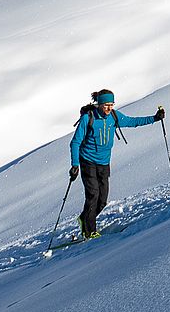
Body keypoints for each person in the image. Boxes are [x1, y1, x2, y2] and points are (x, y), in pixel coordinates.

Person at [69, 89, 164, 238]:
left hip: (104, 163)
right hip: (87, 161)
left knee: (102, 200)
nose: (109, 108)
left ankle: (84, 218)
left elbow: (133, 122)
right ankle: (89, 231)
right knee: (93, 195)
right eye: (106, 105)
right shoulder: (88, 118)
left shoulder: (114, 116)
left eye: (111, 105)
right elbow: (75, 143)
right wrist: (75, 165)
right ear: (99, 104)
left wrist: (154, 118)